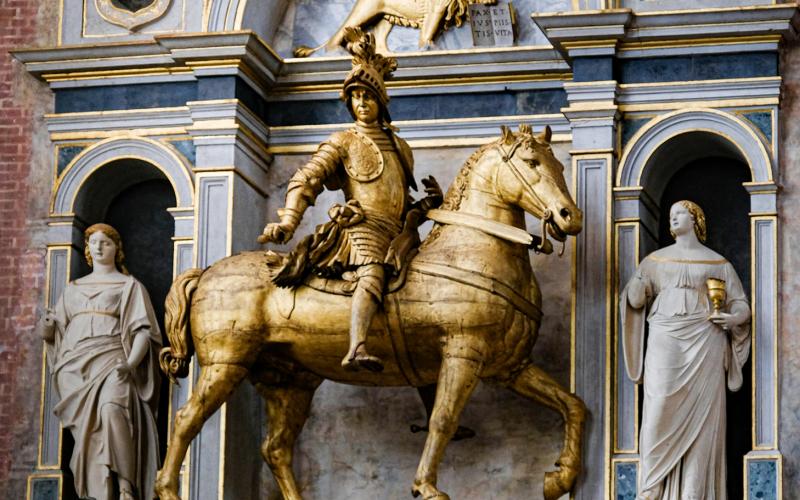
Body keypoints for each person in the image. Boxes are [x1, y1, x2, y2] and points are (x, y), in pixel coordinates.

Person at [259, 28, 441, 372]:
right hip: (363, 229)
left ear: (381, 101)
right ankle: (356, 346)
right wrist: (288, 221)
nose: (360, 103)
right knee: (372, 272)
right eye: (355, 97)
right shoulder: (343, 140)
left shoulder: (401, 148)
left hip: (400, 235)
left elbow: (401, 202)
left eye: (368, 96)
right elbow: (307, 178)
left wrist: (429, 205)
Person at [620, 200, 751, 499]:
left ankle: (695, 492)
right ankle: (650, 489)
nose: (673, 218)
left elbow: (740, 303)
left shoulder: (718, 263)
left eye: (679, 213)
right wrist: (635, 288)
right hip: (665, 339)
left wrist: (732, 318)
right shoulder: (654, 261)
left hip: (706, 340)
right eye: (671, 215)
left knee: (704, 425)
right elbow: (637, 302)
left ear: (695, 219)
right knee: (657, 410)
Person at [42, 223, 161, 500]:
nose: (98, 247)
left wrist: (131, 364)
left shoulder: (129, 286)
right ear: (86, 249)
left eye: (105, 243)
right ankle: (98, 490)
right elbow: (55, 333)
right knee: (89, 433)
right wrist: (47, 328)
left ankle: (126, 486)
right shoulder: (72, 289)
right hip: (73, 365)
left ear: (117, 249)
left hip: (113, 359)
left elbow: (142, 329)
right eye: (93, 242)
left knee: (112, 410)